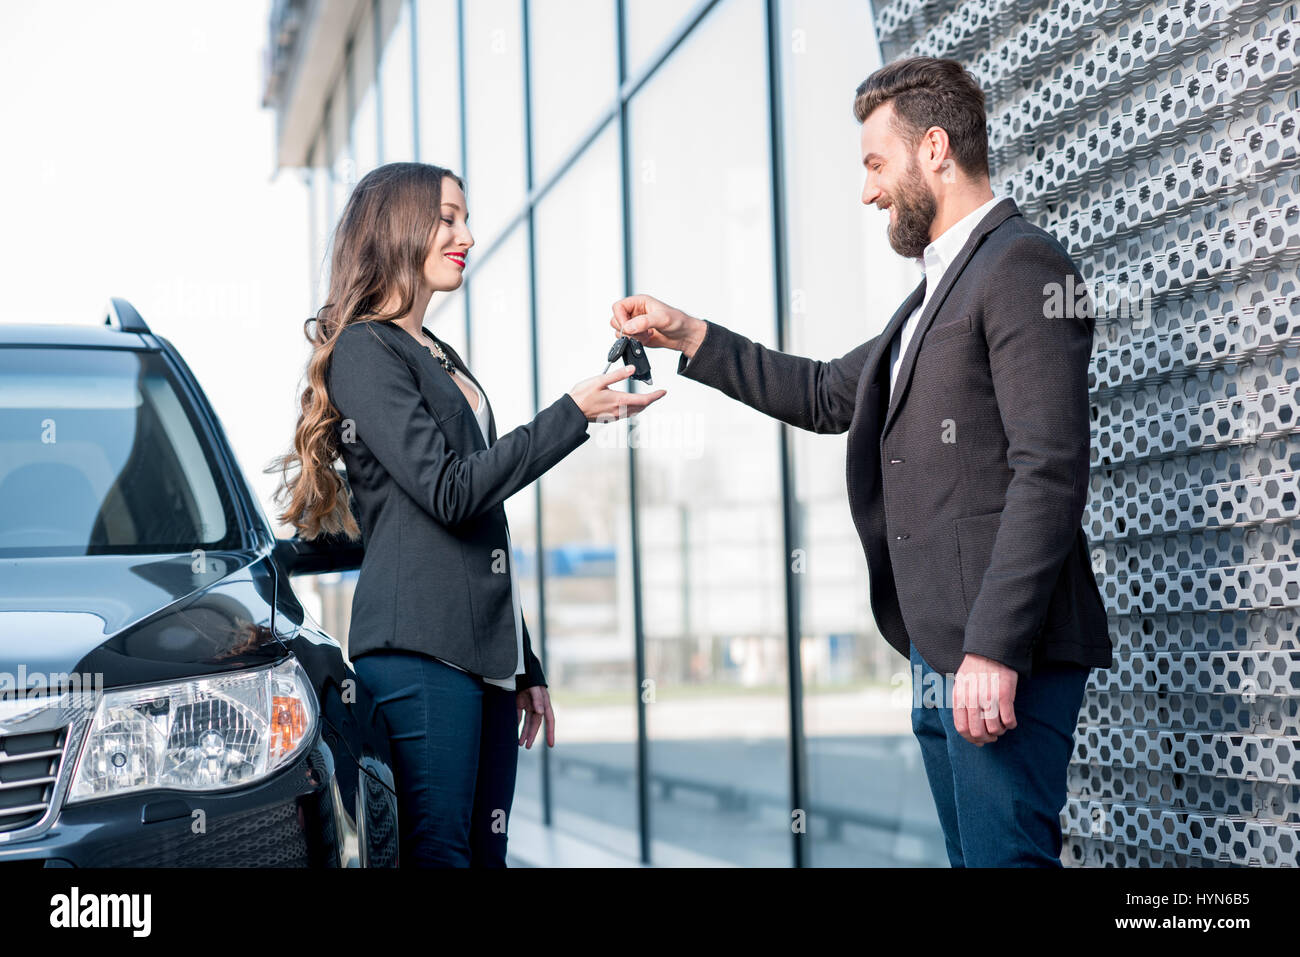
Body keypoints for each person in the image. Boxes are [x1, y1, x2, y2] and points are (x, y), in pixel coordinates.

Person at [608, 56, 1112, 867]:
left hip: (995, 652)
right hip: (938, 654)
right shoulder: (927, 299)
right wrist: (690, 335)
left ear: (935, 149)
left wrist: (991, 646)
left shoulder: (1021, 266)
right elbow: (819, 393)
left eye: (877, 164)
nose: (868, 190)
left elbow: (1049, 470)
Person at [269, 161, 665, 866]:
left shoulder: (438, 353)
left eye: (463, 218)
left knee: (484, 857)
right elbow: (450, 490)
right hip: (418, 648)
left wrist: (526, 662)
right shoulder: (365, 348)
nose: (467, 236)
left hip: (484, 658)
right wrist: (575, 413)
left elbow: (484, 526)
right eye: (448, 218)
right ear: (400, 226)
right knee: (439, 855)